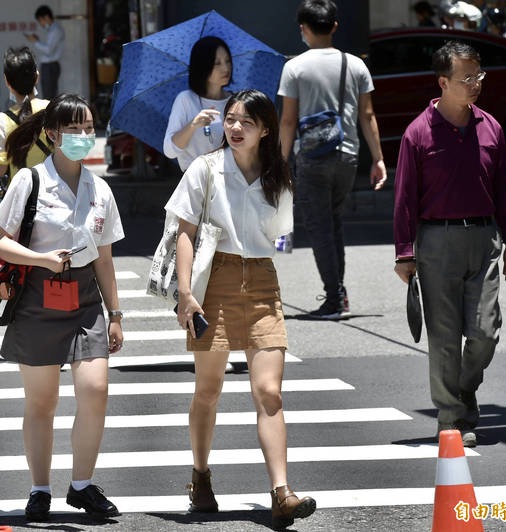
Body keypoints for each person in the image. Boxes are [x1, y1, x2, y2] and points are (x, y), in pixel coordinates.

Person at [167, 89, 313, 530]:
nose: (234, 128)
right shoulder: (205, 169)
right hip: (215, 283)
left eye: (246, 122)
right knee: (208, 390)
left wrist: (271, 235)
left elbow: (283, 238)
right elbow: (184, 233)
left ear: (265, 129)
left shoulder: (278, 175)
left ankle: (281, 493)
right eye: (230, 119)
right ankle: (200, 476)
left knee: (269, 392)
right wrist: (186, 293)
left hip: (263, 282)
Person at [0, 94, 124, 522]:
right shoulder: (28, 181)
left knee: (95, 391)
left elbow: (103, 257)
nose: (85, 136)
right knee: (42, 403)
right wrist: (42, 259)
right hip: (37, 297)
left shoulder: (99, 188)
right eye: (76, 129)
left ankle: (82, 485)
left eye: (90, 128)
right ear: (52, 134)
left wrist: (116, 314)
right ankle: (40, 488)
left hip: (85, 300)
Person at [393, 41, 506, 448]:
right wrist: (404, 252)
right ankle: (451, 420)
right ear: (443, 82)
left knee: (485, 332)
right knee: (444, 338)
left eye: (479, 75)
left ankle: (464, 389)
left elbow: (505, 191)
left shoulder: (492, 128)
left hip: (484, 240)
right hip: (436, 241)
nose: (475, 84)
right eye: (467, 78)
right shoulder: (417, 133)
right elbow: (404, 198)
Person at [278, 0, 387, 320]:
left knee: (320, 227)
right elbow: (367, 115)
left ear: (303, 28)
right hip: (348, 157)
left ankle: (334, 297)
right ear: (335, 27)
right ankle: (338, 292)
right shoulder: (355, 65)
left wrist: (282, 163)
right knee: (333, 222)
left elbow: (287, 121)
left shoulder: (294, 67)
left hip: (312, 157)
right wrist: (378, 159)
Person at [164, 36, 232, 172]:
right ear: (202, 66)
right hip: (195, 186)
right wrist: (193, 125)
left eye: (228, 61)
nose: (225, 68)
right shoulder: (185, 100)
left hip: (229, 184)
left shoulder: (236, 101)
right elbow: (169, 151)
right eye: (217, 63)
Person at [0, 46, 50, 182]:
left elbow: (1, 168)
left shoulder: (1, 121)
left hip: (19, 196)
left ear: (6, 81)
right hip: (53, 194)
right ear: (37, 77)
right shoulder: (53, 109)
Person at [27, 5, 64, 100]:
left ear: (46, 17)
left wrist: (35, 41)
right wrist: (37, 41)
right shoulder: (53, 29)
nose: (41, 23)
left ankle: (51, 114)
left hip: (50, 66)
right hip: (50, 66)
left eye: (40, 20)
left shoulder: (55, 30)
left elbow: (49, 51)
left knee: (49, 96)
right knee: (49, 95)